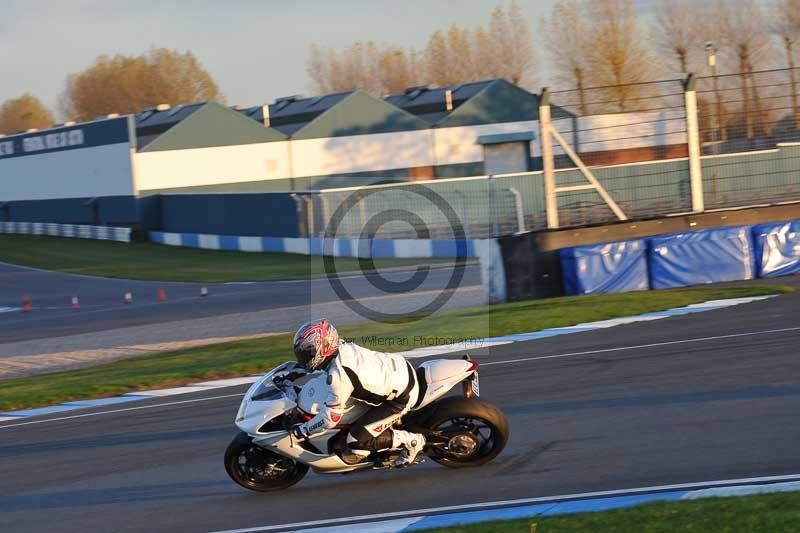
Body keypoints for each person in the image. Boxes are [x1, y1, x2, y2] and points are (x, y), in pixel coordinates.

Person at [289, 319, 426, 466]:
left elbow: (331, 419)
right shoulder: (340, 346)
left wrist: (303, 430)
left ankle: (413, 441)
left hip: (401, 397)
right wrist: (294, 372)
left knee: (355, 441)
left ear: (323, 348)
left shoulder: (339, 377)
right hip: (398, 368)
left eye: (307, 353)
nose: (303, 358)